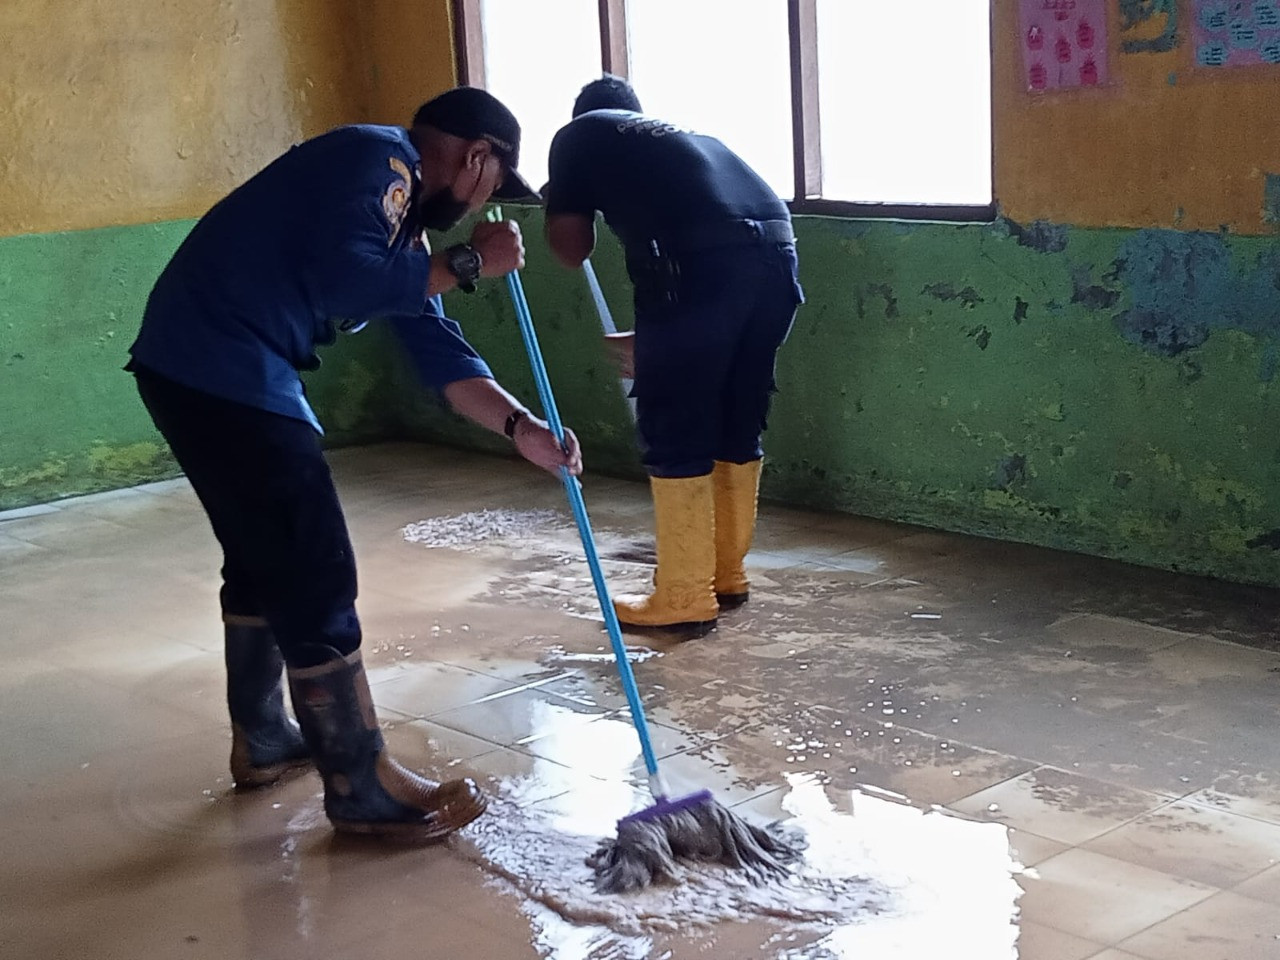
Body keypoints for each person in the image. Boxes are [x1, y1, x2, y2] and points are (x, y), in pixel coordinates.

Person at [127, 86, 582, 842]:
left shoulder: (395, 223)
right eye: (491, 184)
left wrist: (520, 427)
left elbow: (435, 346)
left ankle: (268, 738)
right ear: (475, 158)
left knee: (262, 555)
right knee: (314, 566)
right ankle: (361, 784)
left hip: (198, 359)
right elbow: (350, 282)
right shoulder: (379, 158)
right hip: (223, 362)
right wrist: (470, 260)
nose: (479, 204)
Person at [543, 76, 802, 634]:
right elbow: (721, 247)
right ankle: (725, 575)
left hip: (698, 267)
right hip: (779, 259)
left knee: (675, 422)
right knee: (737, 412)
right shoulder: (682, 141)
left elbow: (571, 249)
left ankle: (684, 594)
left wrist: (557, 199)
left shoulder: (575, 136)